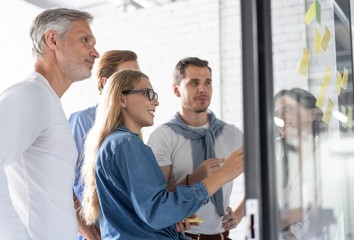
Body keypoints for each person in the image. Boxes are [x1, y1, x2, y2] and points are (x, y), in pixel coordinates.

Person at [80, 69, 244, 239]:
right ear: (122, 99)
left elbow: (143, 212)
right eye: (148, 94)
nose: (156, 102)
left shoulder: (115, 143)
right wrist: (222, 175)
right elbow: (157, 212)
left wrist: (171, 223)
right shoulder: (126, 144)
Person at [0, 8, 99, 240]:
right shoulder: (30, 93)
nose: (95, 52)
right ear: (53, 40)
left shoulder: (47, 99)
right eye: (85, 40)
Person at [147, 57, 245, 239]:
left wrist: (240, 213)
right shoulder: (163, 136)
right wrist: (194, 178)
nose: (203, 89)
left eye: (207, 82)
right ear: (176, 90)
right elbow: (156, 200)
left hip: (222, 236)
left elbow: (263, 179)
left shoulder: (232, 134)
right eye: (194, 83)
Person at [68, 50, 139, 240]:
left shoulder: (133, 124)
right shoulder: (82, 121)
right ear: (105, 83)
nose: (137, 83)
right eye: (127, 77)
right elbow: (64, 183)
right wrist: (91, 235)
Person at [274, 88, 330, 239]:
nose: (281, 118)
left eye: (287, 109)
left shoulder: (327, 159)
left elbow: (317, 226)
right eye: (277, 114)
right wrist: (288, 218)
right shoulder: (279, 159)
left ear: (312, 114)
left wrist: (282, 221)